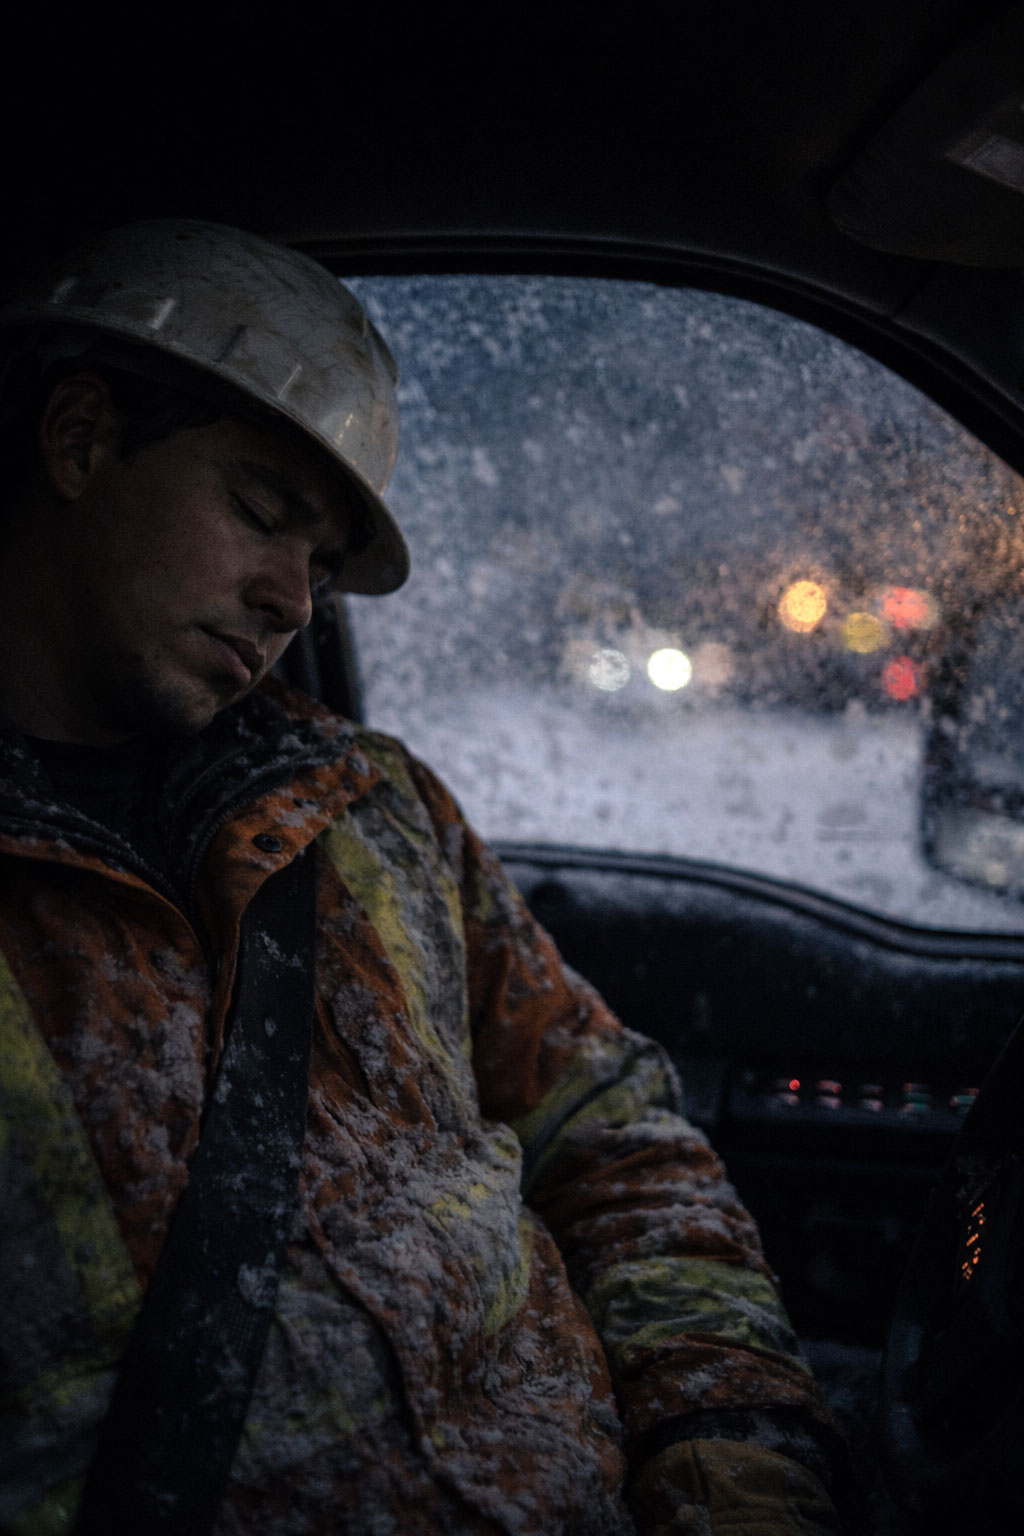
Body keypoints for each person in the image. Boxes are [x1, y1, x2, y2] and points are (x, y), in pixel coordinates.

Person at [0, 220, 846, 1534]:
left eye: (323, 565)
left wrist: (726, 1442)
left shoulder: (373, 811)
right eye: (261, 513)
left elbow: (615, 1135)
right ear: (80, 441)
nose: (295, 600)